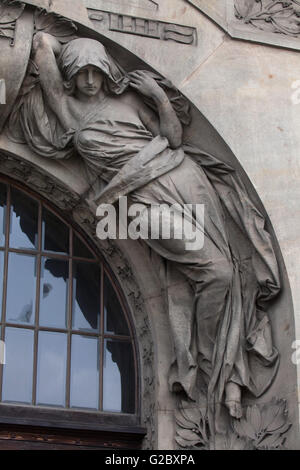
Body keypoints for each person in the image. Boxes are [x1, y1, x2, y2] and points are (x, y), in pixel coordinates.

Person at [8, 32, 281, 434]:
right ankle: (211, 367)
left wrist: (156, 95)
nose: (87, 80)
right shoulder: (67, 112)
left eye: (94, 70)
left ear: (105, 71)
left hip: (182, 178)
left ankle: (229, 375)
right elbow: (43, 45)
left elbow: (172, 139)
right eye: (80, 71)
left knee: (232, 271)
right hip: (137, 199)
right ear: (69, 75)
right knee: (218, 272)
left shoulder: (128, 102)